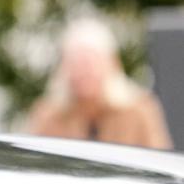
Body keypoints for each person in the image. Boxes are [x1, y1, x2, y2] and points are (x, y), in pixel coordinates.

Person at [28, 17, 173, 149]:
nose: (83, 71)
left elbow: (160, 164)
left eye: (90, 62)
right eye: (75, 63)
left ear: (111, 64)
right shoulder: (48, 116)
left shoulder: (140, 112)